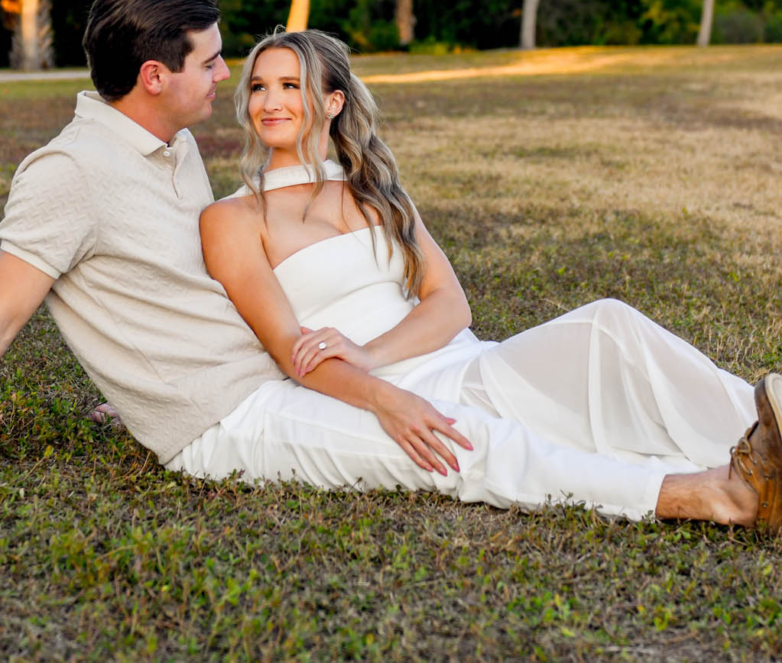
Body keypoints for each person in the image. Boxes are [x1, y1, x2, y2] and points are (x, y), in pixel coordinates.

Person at [0, 0, 779, 531]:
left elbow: (179, 295)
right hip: (232, 415)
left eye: (281, 82)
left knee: (598, 334)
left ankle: (761, 430)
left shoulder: (172, 152)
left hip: (276, 377)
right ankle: (707, 493)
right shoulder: (70, 172)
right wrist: (171, 397)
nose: (230, 79)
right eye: (213, 62)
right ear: (153, 75)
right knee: (452, 438)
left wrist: (145, 386)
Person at [186, 28, 782, 530]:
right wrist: (374, 380)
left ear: (334, 101)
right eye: (259, 87)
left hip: (464, 364)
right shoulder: (234, 218)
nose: (270, 102)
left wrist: (370, 351)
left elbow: (450, 304)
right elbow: (289, 349)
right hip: (404, 392)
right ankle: (750, 459)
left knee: (610, 327)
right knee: (604, 336)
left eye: (291, 86)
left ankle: (763, 435)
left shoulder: (375, 192)